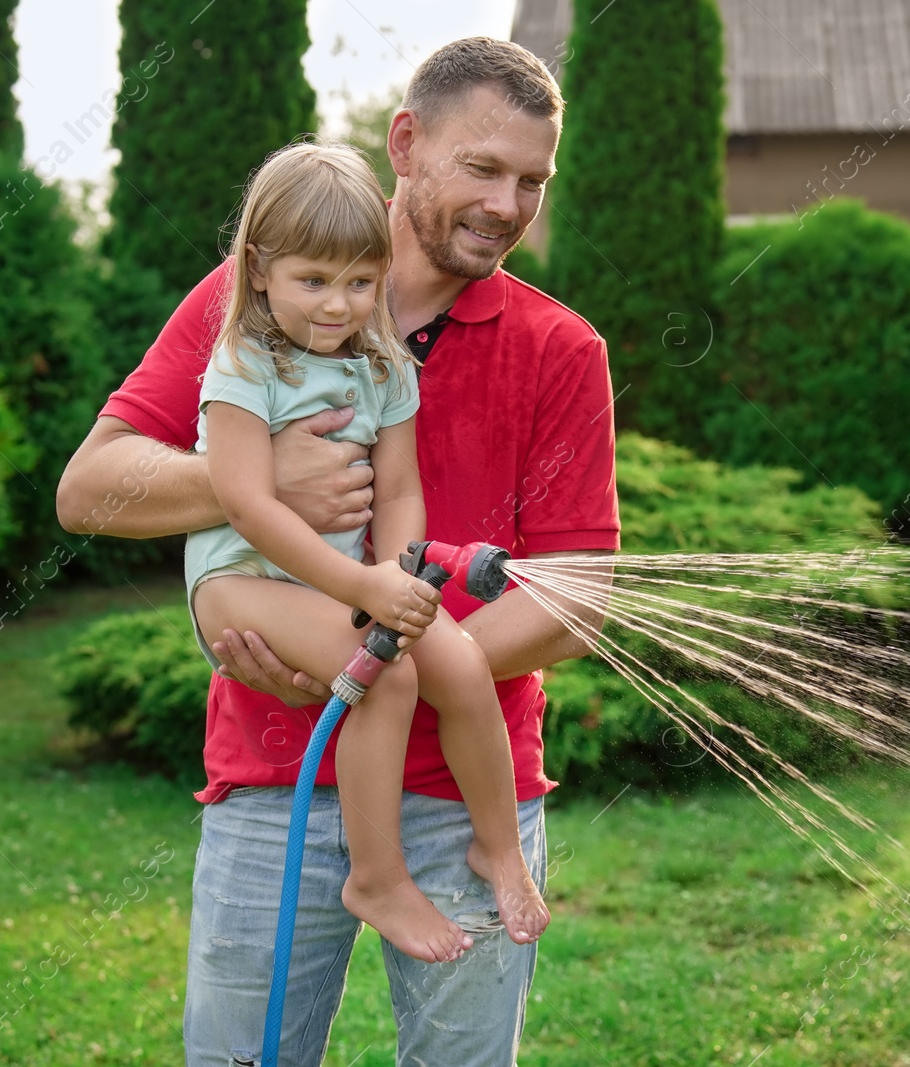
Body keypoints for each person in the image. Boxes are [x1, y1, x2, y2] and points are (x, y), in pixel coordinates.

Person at [58, 37, 618, 1067]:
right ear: (406, 143)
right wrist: (259, 478)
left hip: (467, 792)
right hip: (274, 781)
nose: (507, 203)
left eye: (531, 180)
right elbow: (87, 489)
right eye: (482, 168)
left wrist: (380, 655)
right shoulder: (253, 301)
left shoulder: (560, 348)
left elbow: (579, 591)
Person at [184, 140, 550, 964]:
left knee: (456, 661)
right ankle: (376, 877)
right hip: (242, 578)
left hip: (347, 573)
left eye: (359, 281)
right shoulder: (244, 365)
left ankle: (497, 845)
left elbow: (400, 490)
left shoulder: (382, 364)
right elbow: (245, 503)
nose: (338, 305)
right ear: (260, 269)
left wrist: (393, 570)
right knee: (385, 673)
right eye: (314, 281)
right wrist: (362, 585)